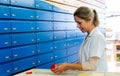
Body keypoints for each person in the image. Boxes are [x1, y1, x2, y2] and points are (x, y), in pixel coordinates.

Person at [51, 6, 107, 74]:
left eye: (79, 23)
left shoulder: (97, 37)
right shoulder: (88, 37)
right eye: (76, 23)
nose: (77, 26)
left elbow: (91, 65)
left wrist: (68, 66)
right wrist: (66, 66)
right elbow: (83, 62)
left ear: (90, 20)